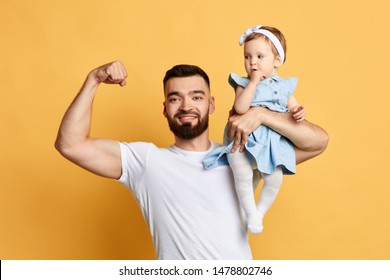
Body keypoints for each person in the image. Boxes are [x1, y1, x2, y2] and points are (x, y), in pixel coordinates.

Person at [54, 60, 328, 260]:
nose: (186, 106)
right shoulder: (146, 162)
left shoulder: (242, 154)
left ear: (211, 104)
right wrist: (94, 79)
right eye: (175, 99)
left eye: (196, 97)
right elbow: (71, 144)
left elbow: (318, 142)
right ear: (165, 109)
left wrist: (263, 115)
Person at [203, 25, 307, 234]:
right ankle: (249, 212)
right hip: (243, 142)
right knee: (240, 169)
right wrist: (253, 83)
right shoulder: (242, 83)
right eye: (247, 56)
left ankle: (259, 212)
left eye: (260, 56)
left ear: (277, 61)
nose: (253, 62)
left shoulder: (285, 86)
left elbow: (293, 106)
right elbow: (241, 108)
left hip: (269, 145)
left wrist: (298, 111)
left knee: (274, 178)